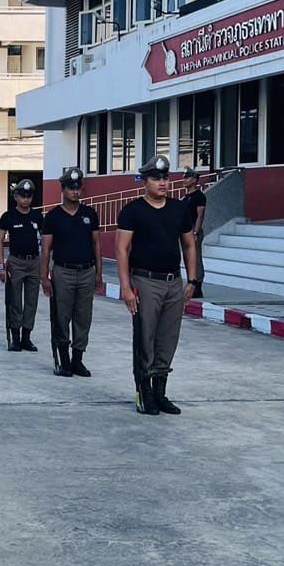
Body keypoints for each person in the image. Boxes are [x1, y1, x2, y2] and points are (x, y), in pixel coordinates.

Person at [116, 155, 198, 416]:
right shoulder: (133, 211)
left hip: (173, 283)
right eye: (156, 178)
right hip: (145, 282)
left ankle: (160, 392)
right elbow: (122, 249)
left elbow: (189, 244)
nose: (162, 183)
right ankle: (145, 393)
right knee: (145, 339)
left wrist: (192, 279)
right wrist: (126, 287)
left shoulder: (179, 209)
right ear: (145, 181)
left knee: (167, 339)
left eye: (165, 178)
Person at [40, 167, 100, 378]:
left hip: (86, 271)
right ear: (63, 189)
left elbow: (96, 244)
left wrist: (99, 273)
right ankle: (64, 360)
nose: (75, 191)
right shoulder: (53, 216)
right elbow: (46, 249)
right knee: (62, 316)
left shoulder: (89, 214)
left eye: (78, 187)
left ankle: (78, 359)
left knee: (83, 317)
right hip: (63, 271)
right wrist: (44, 277)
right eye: (71, 188)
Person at [0, 178, 43, 352]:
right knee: (15, 301)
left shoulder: (37, 216)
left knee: (32, 301)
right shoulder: (8, 216)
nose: (26, 199)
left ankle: (26, 337)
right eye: (22, 196)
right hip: (16, 262)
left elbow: (46, 240)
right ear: (15, 196)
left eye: (29, 196)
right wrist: (1, 266)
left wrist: (46, 266)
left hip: (34, 262)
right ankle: (15, 337)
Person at [183, 168, 207, 299]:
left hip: (193, 230)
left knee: (196, 258)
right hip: (185, 231)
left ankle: (197, 285)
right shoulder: (186, 197)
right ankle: (190, 282)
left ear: (194, 180)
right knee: (188, 258)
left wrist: (196, 232)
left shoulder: (199, 196)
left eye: (187, 178)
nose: (184, 180)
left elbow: (200, 215)